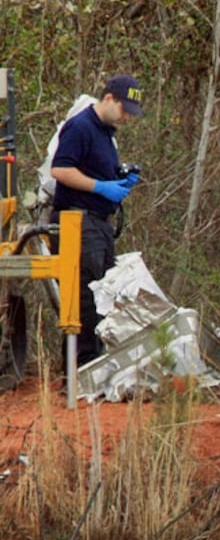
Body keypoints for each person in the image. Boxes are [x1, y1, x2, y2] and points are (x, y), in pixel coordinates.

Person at [50, 73, 144, 365]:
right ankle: (79, 368)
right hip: (77, 222)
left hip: (99, 224)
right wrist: (99, 187)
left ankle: (94, 363)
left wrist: (119, 180)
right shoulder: (80, 127)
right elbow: (60, 170)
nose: (127, 117)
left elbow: (95, 167)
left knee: (104, 294)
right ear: (108, 99)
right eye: (124, 109)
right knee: (85, 298)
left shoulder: (106, 133)